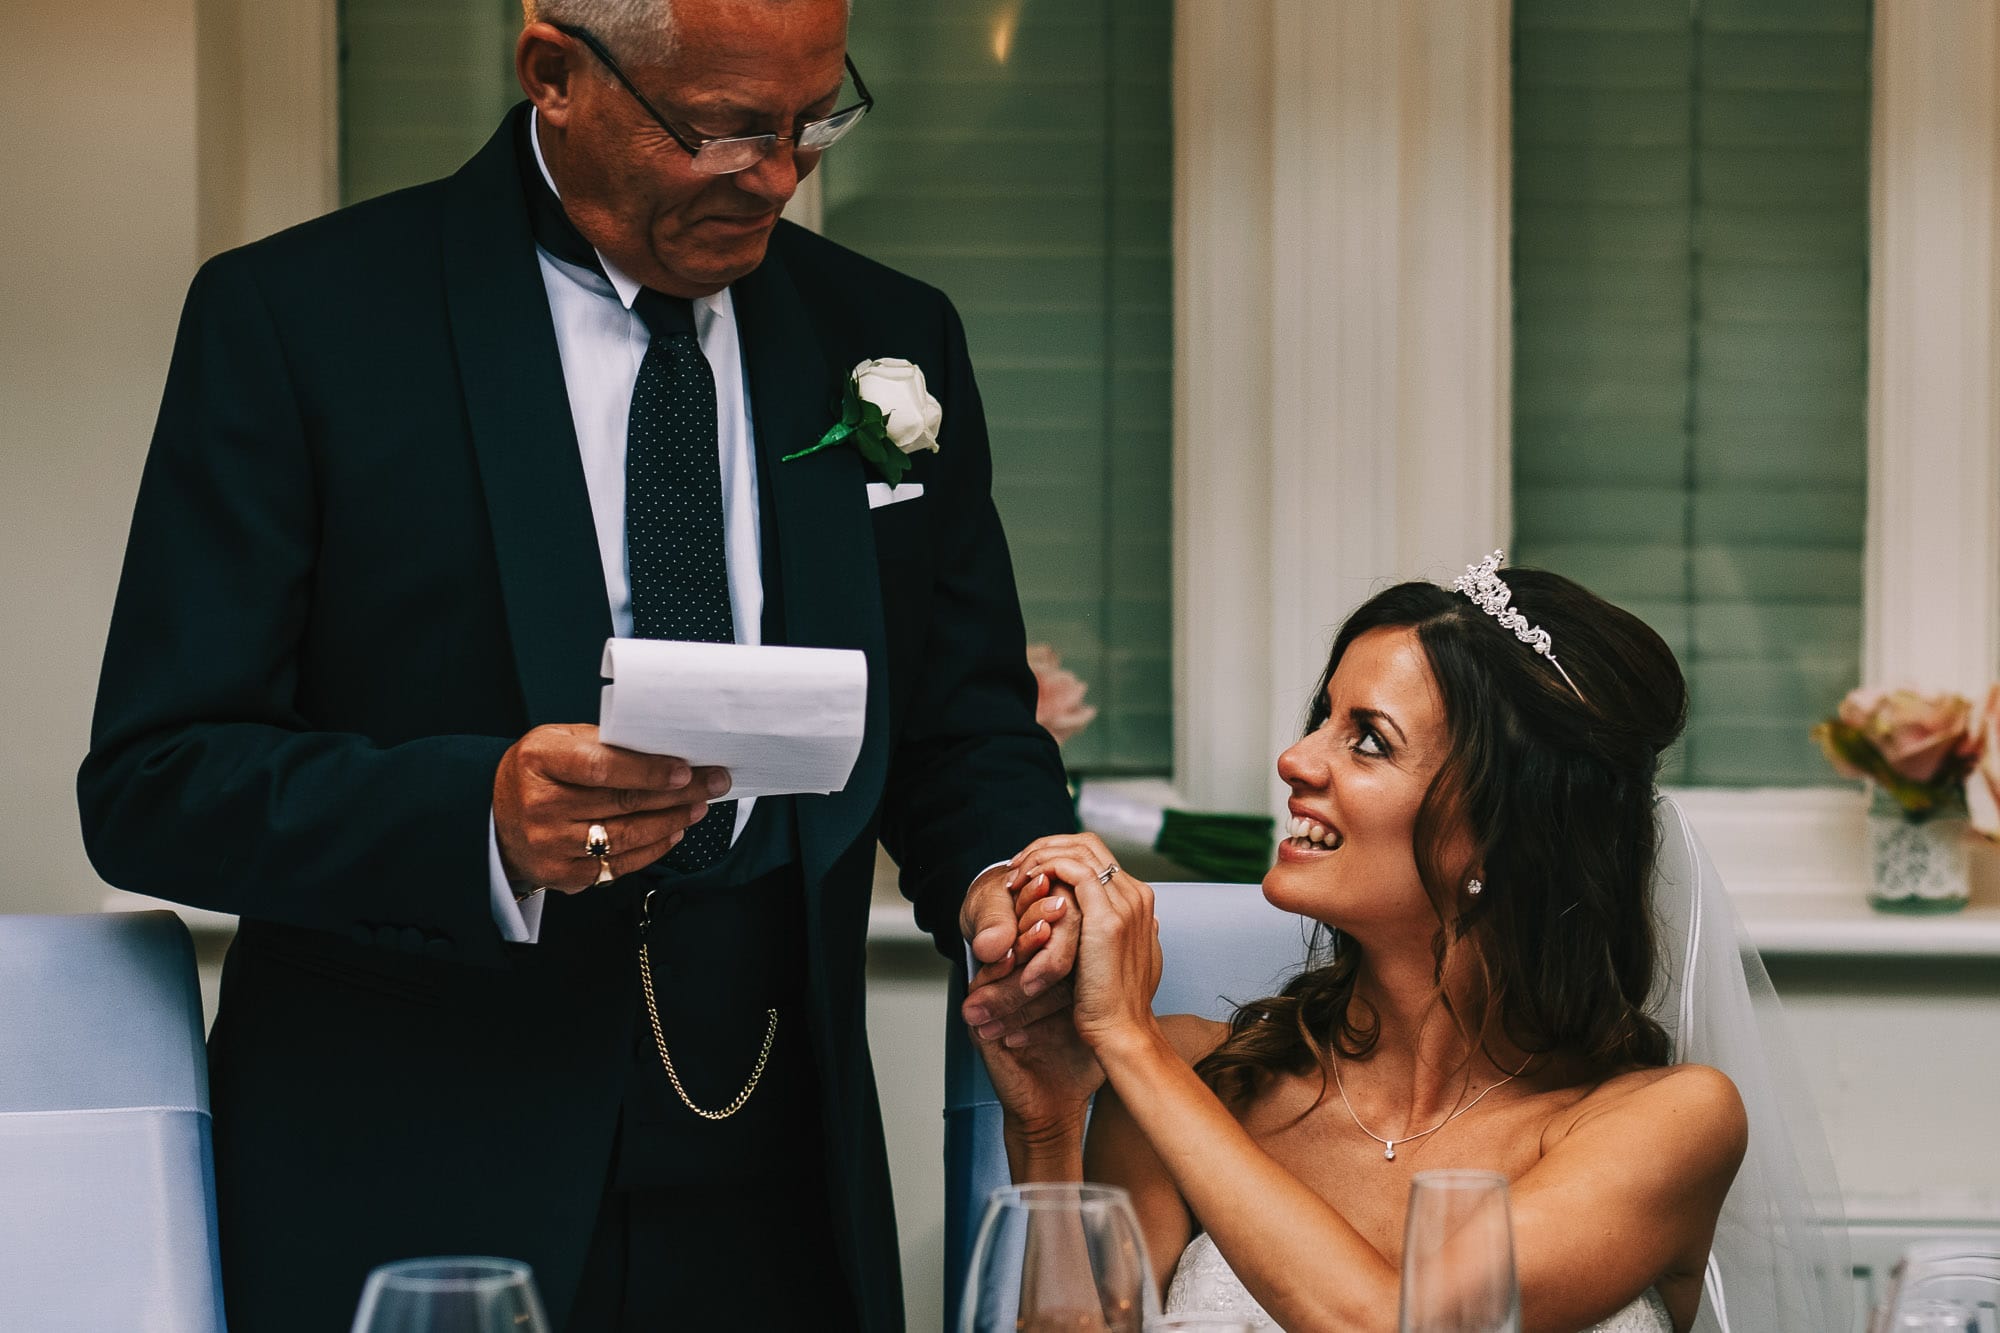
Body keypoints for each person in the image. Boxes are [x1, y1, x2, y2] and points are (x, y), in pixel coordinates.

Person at [76, 1, 1075, 1328]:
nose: (778, 178)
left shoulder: (887, 336)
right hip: (418, 1183)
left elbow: (963, 730)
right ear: (556, 72)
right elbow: (156, 779)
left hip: (780, 1175)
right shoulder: (300, 320)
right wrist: (476, 817)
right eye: (723, 130)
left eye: (812, 120)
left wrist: (1021, 874)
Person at [980, 560, 1777, 1332]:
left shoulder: (1669, 1124)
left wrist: (1129, 1043)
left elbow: (1402, 1325)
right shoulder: (1199, 1081)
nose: (1295, 760)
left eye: (1367, 740)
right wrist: (1047, 1130)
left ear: (1501, 833)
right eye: (1322, 719)